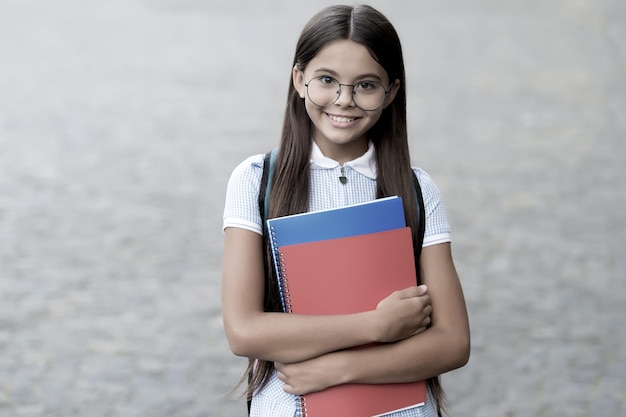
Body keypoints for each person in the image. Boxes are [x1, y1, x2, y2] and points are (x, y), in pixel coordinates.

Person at [221, 4, 470, 416]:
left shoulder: (417, 189)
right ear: (299, 80)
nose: (344, 100)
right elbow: (244, 330)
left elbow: (453, 341)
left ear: (391, 92)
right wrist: (375, 325)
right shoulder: (255, 179)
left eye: (366, 85)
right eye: (327, 80)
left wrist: (341, 368)